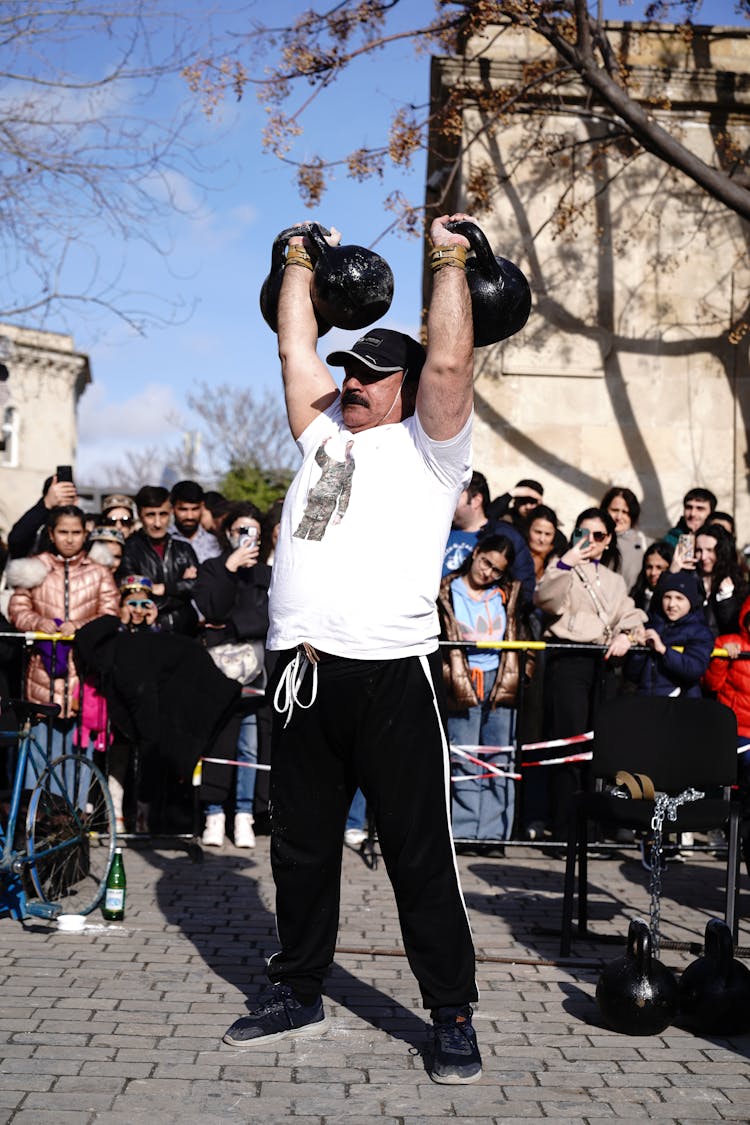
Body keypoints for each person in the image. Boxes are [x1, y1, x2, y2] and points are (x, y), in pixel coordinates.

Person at [222, 213, 484, 1085]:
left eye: (372, 373)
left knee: (417, 853)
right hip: (300, 675)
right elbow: (295, 346)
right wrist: (298, 258)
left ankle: (450, 1014)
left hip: (389, 680)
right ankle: (297, 987)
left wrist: (448, 257)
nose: (353, 382)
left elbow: (449, 361)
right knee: (298, 846)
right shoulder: (322, 434)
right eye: (352, 370)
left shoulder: (433, 451)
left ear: (407, 387)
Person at [532, 507, 647, 843]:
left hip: (605, 662)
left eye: (598, 535)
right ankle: (566, 828)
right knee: (569, 745)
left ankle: (595, 828)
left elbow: (630, 613)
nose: (591, 541)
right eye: (584, 532)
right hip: (569, 660)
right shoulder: (562, 567)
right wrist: (566, 562)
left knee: (601, 746)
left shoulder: (613, 580)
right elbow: (545, 600)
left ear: (609, 540)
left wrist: (630, 634)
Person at [6, 505, 119, 795]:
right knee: (41, 751)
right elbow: (18, 609)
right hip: (43, 675)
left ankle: (74, 821)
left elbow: (110, 612)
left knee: (80, 755)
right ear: (52, 534)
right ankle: (39, 823)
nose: (70, 539)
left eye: (76, 532)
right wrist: (43, 623)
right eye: (63, 532)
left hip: (84, 676)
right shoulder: (34, 567)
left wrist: (79, 626)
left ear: (86, 534)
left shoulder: (99, 573)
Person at [191, 501, 271, 849]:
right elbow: (212, 609)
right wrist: (228, 569)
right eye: (241, 530)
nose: (247, 537)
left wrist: (230, 626)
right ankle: (213, 813)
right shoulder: (212, 568)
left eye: (253, 531)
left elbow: (268, 619)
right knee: (217, 743)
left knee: (249, 746)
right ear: (228, 533)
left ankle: (243, 815)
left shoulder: (266, 575)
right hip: (217, 670)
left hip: (256, 671)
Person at [438, 533, 521, 845]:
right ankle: (464, 831)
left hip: (500, 678)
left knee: (499, 757)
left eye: (497, 570)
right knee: (465, 756)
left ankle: (494, 834)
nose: (488, 572)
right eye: (486, 562)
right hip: (462, 677)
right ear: (475, 553)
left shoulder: (507, 593)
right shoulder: (446, 590)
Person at [443, 469, 535, 608]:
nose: (448, 501)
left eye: (456, 496)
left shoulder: (505, 536)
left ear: (476, 500)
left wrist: (500, 610)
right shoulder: (441, 530)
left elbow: (524, 588)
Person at [119, 485, 199, 635]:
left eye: (163, 514)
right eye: (150, 515)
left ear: (171, 513)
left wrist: (163, 588)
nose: (157, 523)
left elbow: (198, 587)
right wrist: (181, 590)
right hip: (147, 633)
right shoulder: (129, 549)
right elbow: (136, 597)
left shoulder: (183, 548)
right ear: (140, 515)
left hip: (186, 632)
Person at [626, 571, 714, 699]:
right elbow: (632, 674)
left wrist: (664, 650)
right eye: (667, 597)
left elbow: (694, 669)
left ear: (691, 601)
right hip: (647, 701)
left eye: (679, 598)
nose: (672, 604)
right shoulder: (651, 624)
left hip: (680, 704)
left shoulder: (700, 632)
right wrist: (639, 650)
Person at [672, 521, 747, 635]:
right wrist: (672, 573)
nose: (703, 557)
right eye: (698, 550)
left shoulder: (737, 583)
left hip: (720, 648)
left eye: (710, 550)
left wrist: (726, 598)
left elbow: (735, 627)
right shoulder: (686, 579)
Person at [7, 471, 78, 559]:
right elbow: (16, 541)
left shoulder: (84, 523)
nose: (69, 540)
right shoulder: (38, 526)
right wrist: (46, 504)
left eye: (69, 495)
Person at [601, 486, 651, 591]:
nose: (619, 517)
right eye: (614, 510)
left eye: (625, 512)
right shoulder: (594, 539)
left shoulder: (644, 543)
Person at [169, 480, 222, 564]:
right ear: (172, 509)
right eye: (183, 510)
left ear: (202, 506)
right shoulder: (164, 541)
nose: (190, 516)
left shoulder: (215, 543)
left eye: (195, 509)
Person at [629, 540, 673, 613]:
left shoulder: (673, 601)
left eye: (659, 567)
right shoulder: (636, 596)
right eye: (649, 567)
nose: (653, 573)